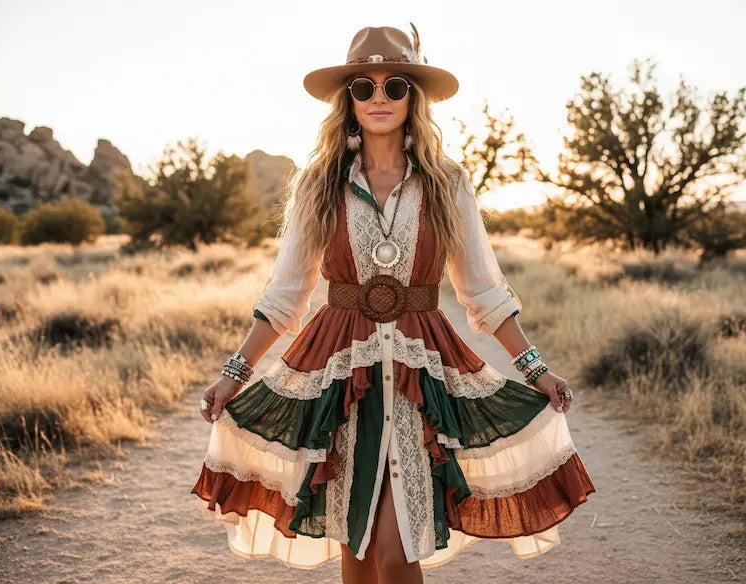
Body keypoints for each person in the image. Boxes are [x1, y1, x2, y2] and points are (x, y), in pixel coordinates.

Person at [190, 23, 596, 584]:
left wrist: (535, 369)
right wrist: (235, 374)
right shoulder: (318, 183)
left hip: (418, 376)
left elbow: (483, 292)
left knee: (393, 549)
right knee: (355, 543)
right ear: (348, 99)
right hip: (339, 375)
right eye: (364, 86)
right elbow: (285, 294)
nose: (379, 98)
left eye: (394, 85)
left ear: (413, 97)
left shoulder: (448, 182)